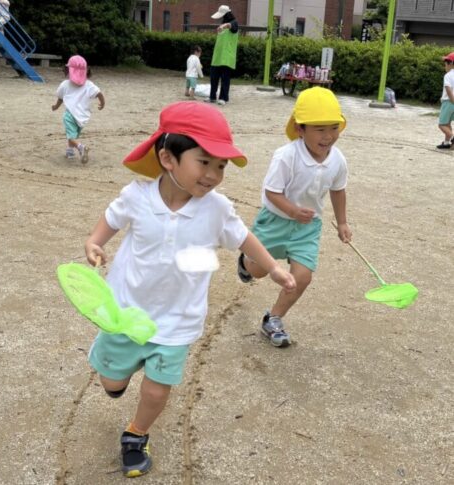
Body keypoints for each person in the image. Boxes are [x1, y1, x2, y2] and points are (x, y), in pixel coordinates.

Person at [83, 101, 296, 477]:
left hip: (178, 320)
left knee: (156, 390)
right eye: (204, 162)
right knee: (111, 382)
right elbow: (112, 218)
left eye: (221, 166)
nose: (213, 175)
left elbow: (244, 238)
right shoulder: (137, 196)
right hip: (125, 312)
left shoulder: (216, 209)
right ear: (168, 158)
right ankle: (118, 372)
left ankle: (136, 434)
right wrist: (95, 241)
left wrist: (274, 268)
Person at [237, 87, 352, 347]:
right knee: (258, 271)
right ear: (300, 129)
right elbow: (272, 191)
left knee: (302, 276)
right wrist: (292, 211)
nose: (328, 136)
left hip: (307, 227)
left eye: (334, 128)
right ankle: (245, 262)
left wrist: (342, 222)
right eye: (320, 129)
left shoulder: (338, 160)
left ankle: (273, 319)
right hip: (275, 221)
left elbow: (338, 190)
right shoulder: (286, 156)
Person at [51, 55, 105, 163]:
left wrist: (56, 106)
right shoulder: (89, 85)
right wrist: (102, 103)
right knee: (73, 134)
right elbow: (99, 93)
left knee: (71, 136)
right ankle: (70, 151)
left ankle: (81, 147)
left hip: (70, 115)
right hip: (83, 116)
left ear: (69, 70)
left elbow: (60, 98)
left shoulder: (65, 84)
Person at [205, 5, 239, 106]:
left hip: (227, 57)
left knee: (225, 79)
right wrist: (222, 27)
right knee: (213, 78)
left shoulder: (234, 23)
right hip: (217, 57)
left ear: (226, 14)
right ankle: (212, 97)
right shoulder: (222, 25)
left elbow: (231, 25)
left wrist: (223, 26)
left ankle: (223, 98)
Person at [436, 52, 454, 149]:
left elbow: (448, 89)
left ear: (451, 63)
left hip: (449, 102)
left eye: (445, 64)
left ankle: (452, 137)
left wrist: (451, 100)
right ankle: (447, 143)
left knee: (442, 124)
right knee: (448, 123)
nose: (445, 66)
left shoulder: (448, 75)